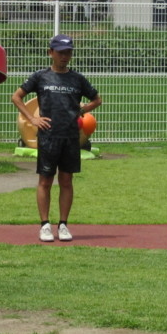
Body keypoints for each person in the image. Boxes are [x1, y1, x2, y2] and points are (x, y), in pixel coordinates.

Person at [11, 34, 101, 242]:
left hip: (70, 137)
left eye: (68, 52)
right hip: (48, 137)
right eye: (60, 52)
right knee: (45, 180)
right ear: (50, 53)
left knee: (66, 181)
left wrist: (82, 110)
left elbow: (97, 100)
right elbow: (16, 97)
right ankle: (44, 225)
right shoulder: (40, 77)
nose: (64, 56)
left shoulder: (77, 79)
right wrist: (32, 118)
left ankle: (63, 225)